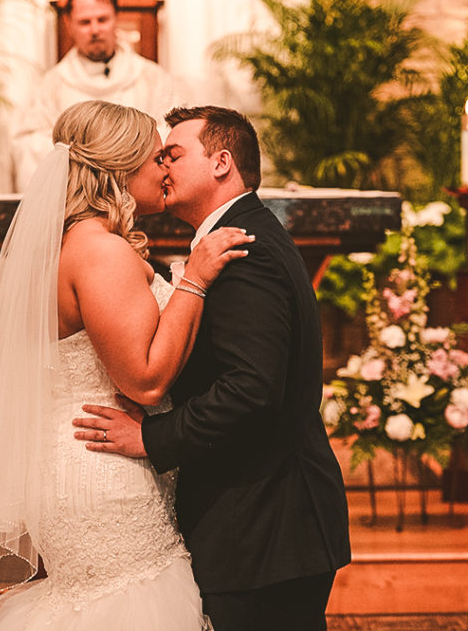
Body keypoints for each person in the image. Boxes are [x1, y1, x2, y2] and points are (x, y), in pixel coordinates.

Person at [0, 99, 251, 630]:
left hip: (85, 456)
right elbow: (145, 379)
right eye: (156, 158)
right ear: (120, 169)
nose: (165, 170)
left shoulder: (71, 244)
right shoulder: (100, 251)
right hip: (104, 467)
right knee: (131, 601)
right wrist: (195, 279)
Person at [73, 106, 351, 631]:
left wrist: (150, 439)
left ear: (222, 162)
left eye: (173, 154)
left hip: (266, 526)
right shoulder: (231, 238)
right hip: (256, 524)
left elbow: (250, 390)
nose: (162, 168)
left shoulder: (246, 250)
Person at [11, 0, 180, 191]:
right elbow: (31, 145)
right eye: (84, 22)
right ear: (69, 25)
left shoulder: (152, 78)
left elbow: (170, 135)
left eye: (102, 19)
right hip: (77, 197)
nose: (95, 29)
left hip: (138, 195)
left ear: (116, 20)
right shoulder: (51, 85)